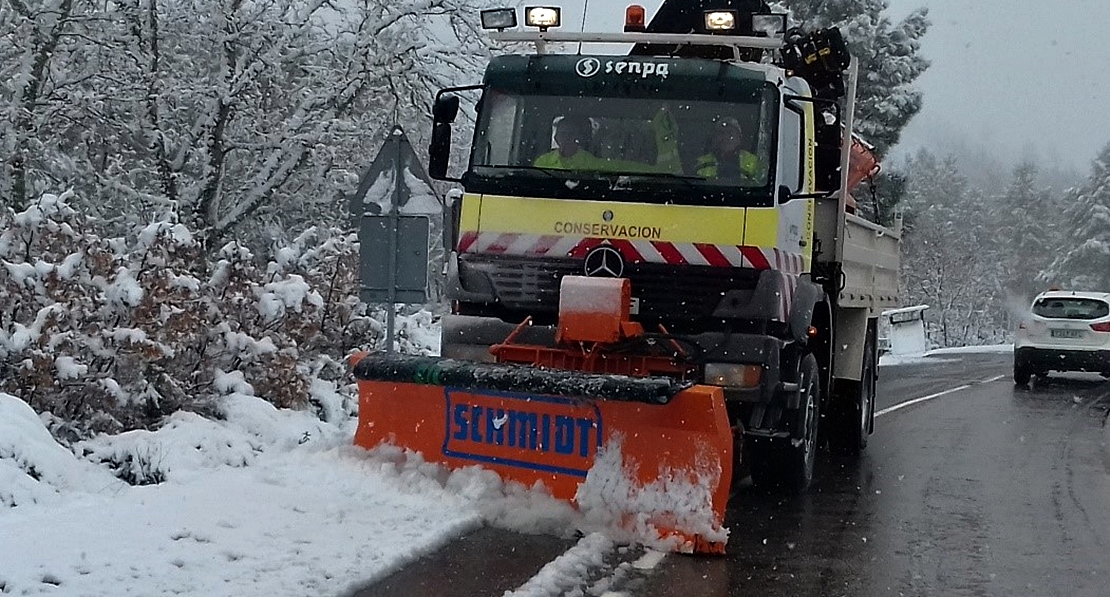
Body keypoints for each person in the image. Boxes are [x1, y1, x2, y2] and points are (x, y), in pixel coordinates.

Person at [533, 112, 682, 174]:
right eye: (563, 134)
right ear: (557, 137)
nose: (566, 139)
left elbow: (631, 169)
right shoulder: (542, 162)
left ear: (581, 138)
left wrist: (661, 175)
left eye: (571, 134)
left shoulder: (595, 164)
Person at [695, 117, 766, 184]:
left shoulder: (753, 161)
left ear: (739, 138)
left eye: (730, 133)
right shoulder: (703, 162)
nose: (725, 137)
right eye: (721, 133)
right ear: (715, 138)